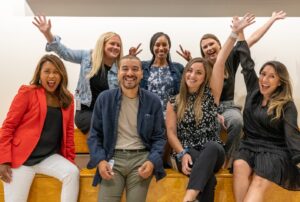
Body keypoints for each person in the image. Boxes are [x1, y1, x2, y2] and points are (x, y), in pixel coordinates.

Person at [177, 11, 286, 167]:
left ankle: (227, 159)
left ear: (220, 46)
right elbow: (193, 83)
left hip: (228, 106)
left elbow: (253, 38)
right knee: (211, 123)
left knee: (236, 121)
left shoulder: (230, 57)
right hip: (207, 106)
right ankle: (212, 156)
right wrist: (190, 61)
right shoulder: (203, 67)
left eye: (211, 44)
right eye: (205, 47)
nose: (208, 48)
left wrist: (272, 19)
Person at [166, 15, 255, 202]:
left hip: (214, 152)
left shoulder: (210, 95)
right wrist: (182, 154)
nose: (193, 75)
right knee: (210, 180)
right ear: (184, 74)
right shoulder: (173, 101)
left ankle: (188, 198)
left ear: (205, 77)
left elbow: (221, 60)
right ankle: (192, 197)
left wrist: (234, 33)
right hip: (186, 153)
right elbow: (171, 133)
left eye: (199, 72)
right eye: (189, 71)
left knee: (214, 146)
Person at [0, 54, 79, 202]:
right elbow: (8, 127)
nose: (52, 76)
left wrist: (70, 160)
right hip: (21, 160)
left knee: (72, 172)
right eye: (47, 71)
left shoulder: (67, 98)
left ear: (62, 75)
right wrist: (3, 160)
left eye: (56, 72)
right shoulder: (27, 93)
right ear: (39, 74)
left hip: (48, 157)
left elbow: (68, 134)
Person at [87, 55, 166, 202]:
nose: (130, 73)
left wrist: (152, 161)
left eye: (135, 69)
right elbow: (94, 135)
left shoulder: (153, 101)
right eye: (125, 69)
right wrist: (100, 161)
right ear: (118, 73)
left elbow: (159, 138)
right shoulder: (104, 99)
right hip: (113, 159)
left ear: (142, 74)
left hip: (141, 161)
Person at [233, 35, 300, 202]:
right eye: (263, 74)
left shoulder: (287, 105)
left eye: (272, 76)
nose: (264, 79)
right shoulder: (254, 90)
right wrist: (240, 33)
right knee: (239, 165)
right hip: (249, 145)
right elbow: (247, 64)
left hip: (275, 151)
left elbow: (292, 136)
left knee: (258, 181)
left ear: (279, 82)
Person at [33, 15, 123, 134]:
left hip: (109, 114)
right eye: (112, 44)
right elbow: (65, 53)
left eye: (118, 45)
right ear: (103, 44)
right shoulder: (87, 57)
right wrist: (47, 34)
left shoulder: (121, 68)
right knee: (101, 127)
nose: (115, 47)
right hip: (86, 113)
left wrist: (131, 58)